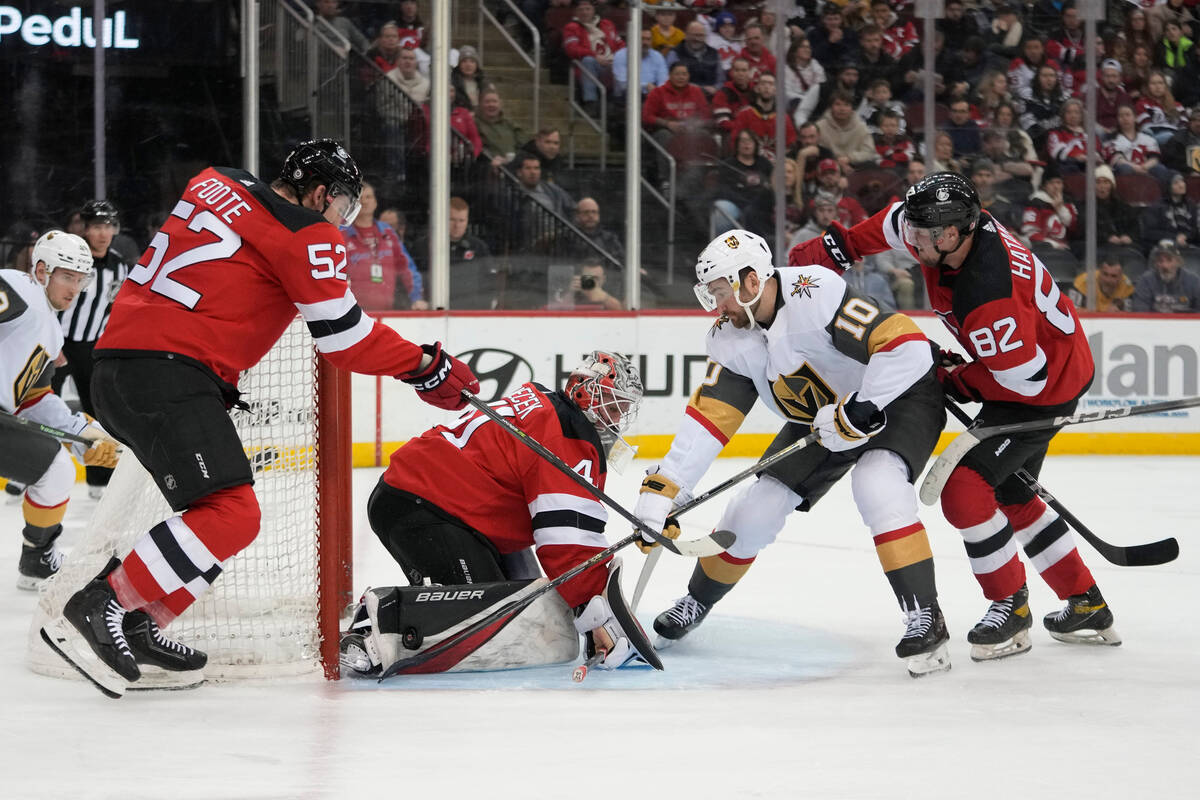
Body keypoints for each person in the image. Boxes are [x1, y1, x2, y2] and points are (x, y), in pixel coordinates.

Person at [39, 139, 481, 698]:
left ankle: (142, 622)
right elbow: (344, 337)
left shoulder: (214, 179)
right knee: (232, 514)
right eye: (342, 206)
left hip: (118, 369)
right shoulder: (307, 232)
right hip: (169, 372)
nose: (341, 221)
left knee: (209, 518)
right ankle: (106, 601)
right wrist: (425, 365)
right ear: (320, 193)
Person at [789, 172, 1121, 661]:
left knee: (965, 492)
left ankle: (1011, 607)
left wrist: (957, 377)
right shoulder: (939, 229)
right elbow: (888, 225)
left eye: (928, 235)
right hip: (1031, 364)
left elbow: (1023, 383)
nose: (915, 240)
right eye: (917, 230)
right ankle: (1085, 601)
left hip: (1043, 387)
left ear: (961, 232)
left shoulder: (989, 297)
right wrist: (831, 252)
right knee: (1011, 489)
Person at [634, 229, 951, 677]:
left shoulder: (813, 292)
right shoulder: (731, 335)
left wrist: (863, 407)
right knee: (753, 510)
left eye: (721, 292)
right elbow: (709, 420)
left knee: (877, 485)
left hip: (896, 398)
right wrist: (666, 488)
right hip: (823, 419)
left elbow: (908, 347)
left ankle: (925, 616)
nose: (715, 307)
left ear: (750, 281)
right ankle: (697, 600)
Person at [346, 352, 656, 676]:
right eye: (614, 404)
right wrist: (598, 618)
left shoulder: (547, 405)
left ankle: (405, 616)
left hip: (430, 502)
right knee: (490, 624)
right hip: (427, 510)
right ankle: (377, 627)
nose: (618, 417)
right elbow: (566, 540)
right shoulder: (566, 435)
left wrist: (585, 605)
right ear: (587, 392)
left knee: (525, 612)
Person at [1, 232, 120, 589]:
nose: (74, 287)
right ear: (41, 270)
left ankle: (37, 558)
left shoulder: (52, 332)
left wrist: (79, 430)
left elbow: (35, 396)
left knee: (57, 471)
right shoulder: (17, 286)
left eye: (80, 279)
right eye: (66, 276)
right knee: (56, 471)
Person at [51, 200, 131, 499]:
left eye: (108, 226)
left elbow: (118, 308)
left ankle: (99, 478)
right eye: (97, 226)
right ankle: (27, 471)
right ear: (85, 229)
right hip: (55, 342)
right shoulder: (69, 257)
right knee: (39, 402)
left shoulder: (121, 266)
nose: (103, 233)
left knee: (96, 409)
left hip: (91, 347)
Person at [342, 180, 426, 311]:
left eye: (369, 197)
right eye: (359, 198)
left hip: (388, 313)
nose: (364, 201)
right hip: (353, 316)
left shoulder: (387, 232)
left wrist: (416, 298)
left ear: (375, 202)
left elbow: (406, 267)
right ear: (352, 203)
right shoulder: (342, 234)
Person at [561, 0, 624, 114]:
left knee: (626, 62)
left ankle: (620, 102)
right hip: (591, 65)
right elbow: (572, 49)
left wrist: (619, 59)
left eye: (588, 9)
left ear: (594, 10)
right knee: (588, 60)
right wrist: (595, 56)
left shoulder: (607, 24)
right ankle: (591, 102)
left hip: (612, 64)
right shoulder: (571, 27)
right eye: (581, 10)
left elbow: (620, 44)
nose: (585, 13)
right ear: (576, 12)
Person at [1133, 241, 1200, 312]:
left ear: (1178, 261)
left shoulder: (1193, 281)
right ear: (1155, 263)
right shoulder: (1145, 280)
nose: (1165, 266)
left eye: (1169, 260)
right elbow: (1140, 310)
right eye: (1160, 261)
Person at [665, 20, 724, 97]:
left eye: (700, 35)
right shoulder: (675, 53)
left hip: (711, 96)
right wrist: (692, 88)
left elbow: (721, 79)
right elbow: (669, 78)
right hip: (683, 96)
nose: (697, 38)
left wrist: (715, 88)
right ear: (686, 35)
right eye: (694, 35)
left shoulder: (714, 53)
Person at [476, 88, 527, 167]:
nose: (491, 104)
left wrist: (514, 158)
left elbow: (523, 145)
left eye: (494, 101)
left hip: (513, 167)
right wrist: (492, 158)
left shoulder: (510, 124)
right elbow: (477, 147)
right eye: (487, 102)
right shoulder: (475, 123)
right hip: (489, 167)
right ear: (480, 104)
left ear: (500, 104)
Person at [613, 28, 667, 99]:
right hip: (625, 98)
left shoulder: (657, 56)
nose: (645, 42)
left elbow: (663, 81)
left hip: (653, 96)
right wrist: (645, 86)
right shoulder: (621, 55)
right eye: (642, 39)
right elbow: (622, 85)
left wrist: (657, 91)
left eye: (648, 39)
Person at [1067, 255, 1134, 312]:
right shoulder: (1083, 282)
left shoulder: (1126, 285)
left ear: (1121, 277)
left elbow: (1130, 316)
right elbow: (1071, 312)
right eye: (1105, 274)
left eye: (1113, 276)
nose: (1108, 280)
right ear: (1099, 272)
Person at [570, 196, 624, 264]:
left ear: (599, 215)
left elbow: (621, 260)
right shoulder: (569, 237)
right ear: (577, 216)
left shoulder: (609, 238)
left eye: (594, 212)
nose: (591, 216)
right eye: (586, 212)